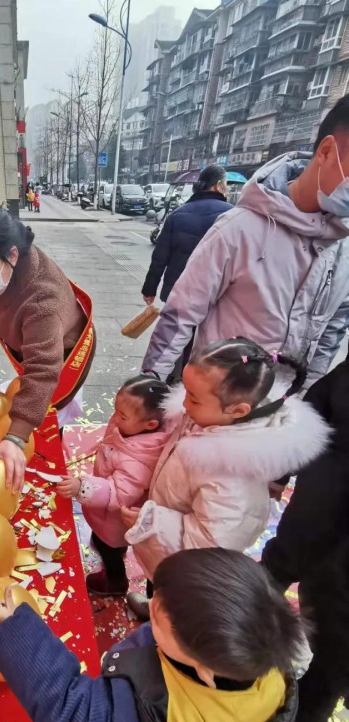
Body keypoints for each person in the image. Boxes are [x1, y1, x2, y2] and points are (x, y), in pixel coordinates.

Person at [0, 548, 304, 722]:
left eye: (158, 619)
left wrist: (16, 630)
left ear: (203, 671)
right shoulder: (267, 664)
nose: (149, 607)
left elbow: (72, 714)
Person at [141, 96, 349, 388]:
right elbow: (180, 315)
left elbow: (331, 334)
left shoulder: (342, 249)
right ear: (327, 151)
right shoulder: (239, 229)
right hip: (216, 409)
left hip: (285, 416)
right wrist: (150, 387)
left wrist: (306, 404)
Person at [125, 337, 330, 621]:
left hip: (184, 564)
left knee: (177, 610)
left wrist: (149, 521)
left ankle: (166, 637)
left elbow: (211, 543)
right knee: (161, 590)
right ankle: (155, 609)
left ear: (238, 410)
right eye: (185, 391)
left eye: (194, 398)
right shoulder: (209, 418)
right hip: (165, 548)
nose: (184, 404)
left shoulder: (233, 475)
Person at [0, 204, 95, 492]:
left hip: (60, 358)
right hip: (36, 349)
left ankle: (47, 459)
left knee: (46, 419)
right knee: (26, 409)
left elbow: (42, 371)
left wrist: (16, 437)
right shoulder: (1, 269)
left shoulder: (41, 301)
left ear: (12, 255)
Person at [262, 350, 349, 722]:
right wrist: (283, 466)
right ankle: (236, 651)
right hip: (318, 508)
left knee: (333, 657)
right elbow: (318, 408)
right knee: (270, 576)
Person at [56, 376, 170, 597]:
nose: (115, 418)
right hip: (108, 515)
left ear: (150, 425)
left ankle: (115, 582)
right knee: (110, 544)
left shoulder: (139, 461)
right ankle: (117, 553)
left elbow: (119, 493)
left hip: (116, 519)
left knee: (107, 547)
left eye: (123, 415)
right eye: (115, 410)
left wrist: (83, 486)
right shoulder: (130, 428)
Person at [142, 165, 232, 307]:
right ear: (218, 186)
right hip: (214, 294)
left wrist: (150, 289)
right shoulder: (232, 215)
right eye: (226, 184)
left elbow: (159, 258)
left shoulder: (177, 214)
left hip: (178, 292)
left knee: (176, 329)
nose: (228, 189)